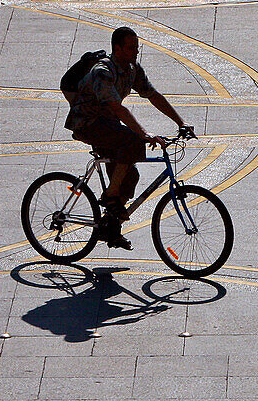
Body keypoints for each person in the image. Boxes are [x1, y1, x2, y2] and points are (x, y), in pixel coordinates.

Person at [64, 26, 190, 250]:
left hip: (107, 124)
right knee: (132, 140)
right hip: (87, 123)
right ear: (117, 48)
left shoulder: (132, 69)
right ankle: (110, 195)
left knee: (130, 177)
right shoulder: (103, 71)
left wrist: (181, 122)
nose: (136, 52)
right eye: (131, 48)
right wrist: (144, 133)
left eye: (137, 48)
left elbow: (153, 95)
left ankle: (111, 229)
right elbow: (119, 109)